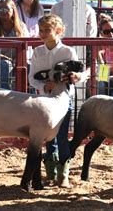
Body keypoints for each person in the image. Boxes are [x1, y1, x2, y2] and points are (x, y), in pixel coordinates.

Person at [28, 14, 86, 187]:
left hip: (63, 100)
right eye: (41, 30)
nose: (43, 33)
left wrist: (76, 77)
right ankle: (51, 172)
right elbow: (32, 78)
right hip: (45, 100)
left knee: (61, 136)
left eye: (47, 30)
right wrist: (45, 87)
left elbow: (79, 73)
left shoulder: (68, 51)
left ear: (58, 31)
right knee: (48, 137)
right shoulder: (38, 52)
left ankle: (63, 174)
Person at [0, 0, 28, 89]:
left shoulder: (21, 26)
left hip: (16, 58)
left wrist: (19, 58)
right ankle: (3, 93)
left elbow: (26, 46)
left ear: (13, 10)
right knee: (5, 64)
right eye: (0, 9)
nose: (3, 11)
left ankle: (25, 92)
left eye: (6, 9)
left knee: (28, 64)